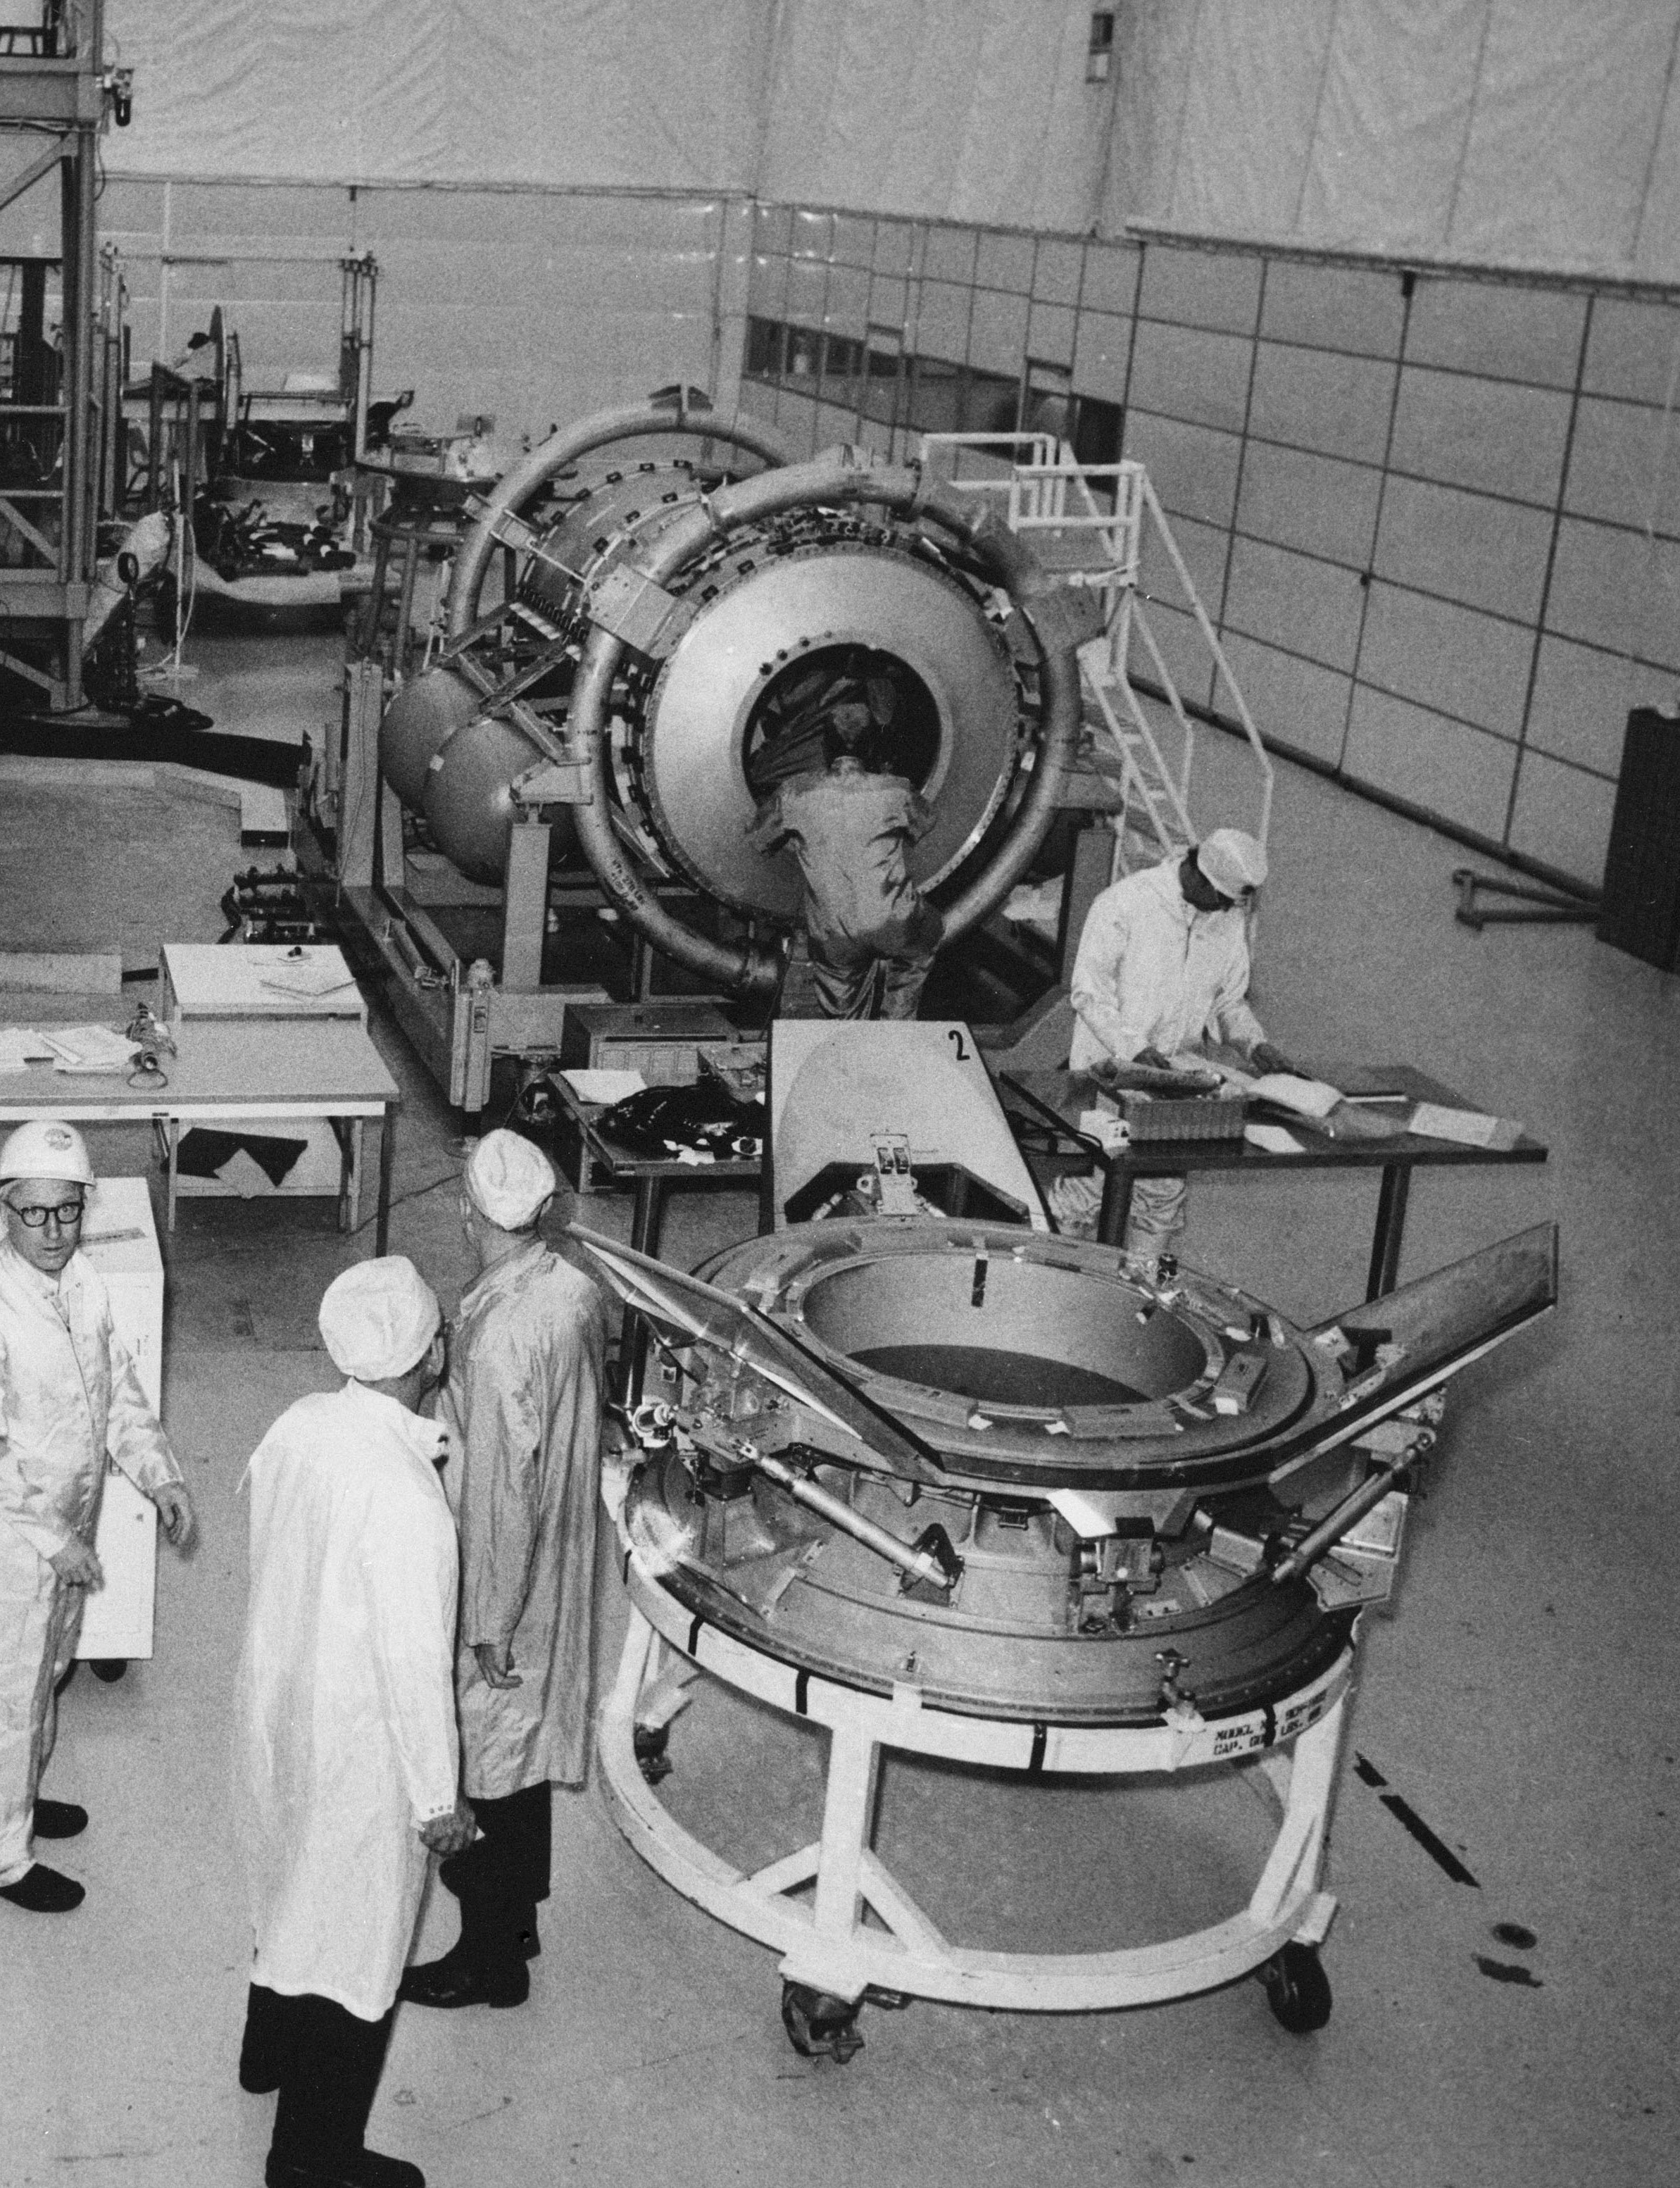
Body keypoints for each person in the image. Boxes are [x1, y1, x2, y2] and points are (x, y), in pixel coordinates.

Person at [234, 1256, 472, 2188]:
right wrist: (437, 1797)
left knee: (283, 1883)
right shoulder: (410, 1497)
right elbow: (416, 1667)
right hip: (358, 1743)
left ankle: (264, 2052)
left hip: (277, 1701)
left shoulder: (300, 1422)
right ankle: (311, 2156)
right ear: (430, 1354)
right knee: (357, 1942)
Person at [399, 1130, 607, 2012]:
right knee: (520, 1762)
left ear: (466, 1208)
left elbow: (499, 1496)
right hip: (560, 1554)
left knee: (488, 1766)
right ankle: (514, 1925)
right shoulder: (570, 1285)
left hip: (507, 1579)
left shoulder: (494, 1344)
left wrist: (487, 1619)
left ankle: (489, 1960)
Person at [0, 1120, 194, 1917]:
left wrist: (161, 1475)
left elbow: (117, 1395)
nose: (53, 1231)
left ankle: (17, 1803)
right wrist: (57, 1540)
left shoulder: (84, 1283)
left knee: (47, 1675)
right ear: (3, 1212)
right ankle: (6, 1858)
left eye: (67, 1211)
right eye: (34, 1213)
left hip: (70, 1530)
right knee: (11, 1696)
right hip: (18, 1540)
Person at [1061, 830, 1301, 1265]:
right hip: (1106, 1080)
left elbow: (1229, 1002)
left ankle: (1143, 1302)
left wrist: (1255, 1044)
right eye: (1224, 899)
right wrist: (1134, 1050)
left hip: (1174, 1090)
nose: (1229, 911)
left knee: (1159, 1199)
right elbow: (1088, 994)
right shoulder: (1126, 902)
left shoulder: (1225, 924)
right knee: (1084, 1196)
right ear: (1201, 877)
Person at [747, 686, 945, 1020]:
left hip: (833, 934)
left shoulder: (793, 793)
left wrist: (800, 838)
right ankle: (896, 1031)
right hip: (895, 923)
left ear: (825, 747)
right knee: (924, 942)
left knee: (841, 1007)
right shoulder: (897, 788)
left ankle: (848, 1044)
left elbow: (758, 838)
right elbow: (925, 825)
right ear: (872, 746)